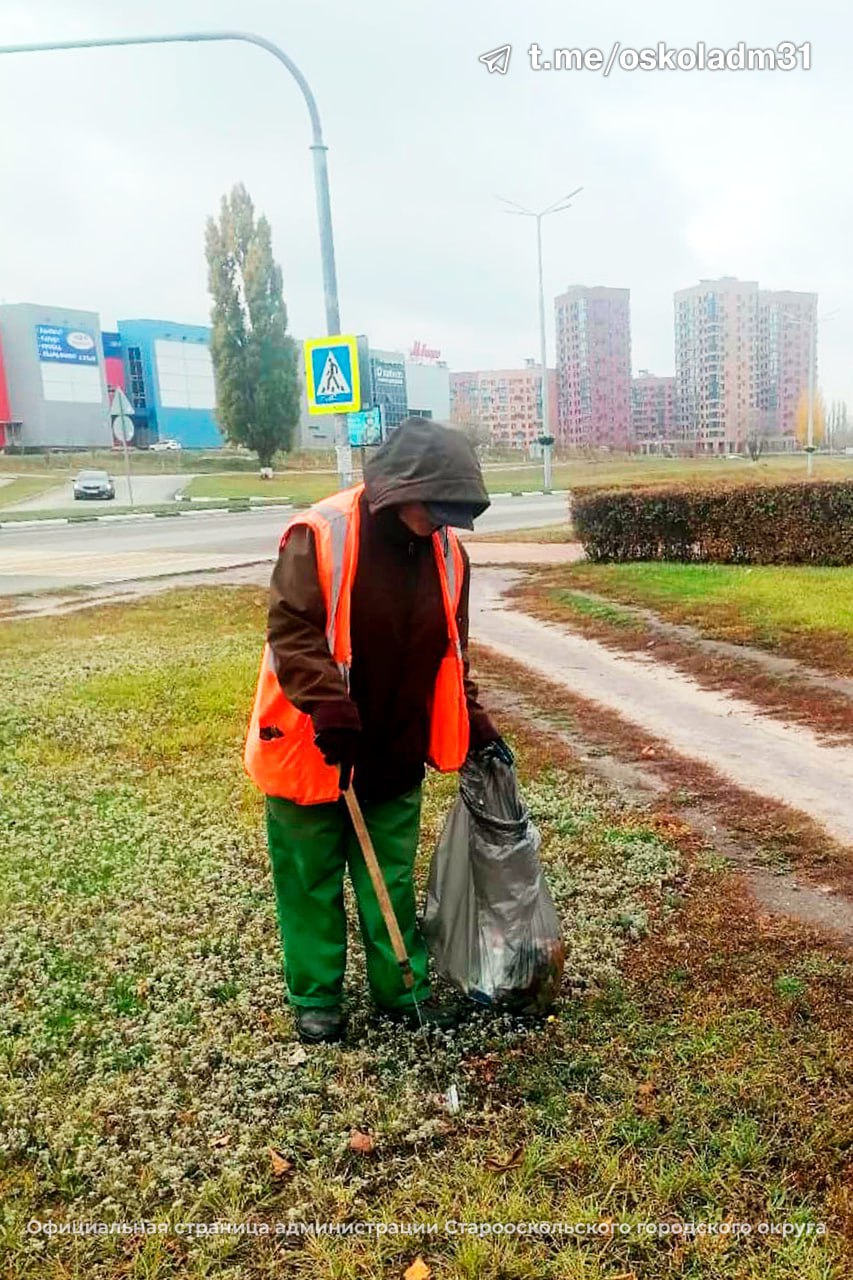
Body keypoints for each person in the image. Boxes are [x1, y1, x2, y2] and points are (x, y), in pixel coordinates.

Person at [244, 417, 512, 1043]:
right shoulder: (322, 534)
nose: (443, 523)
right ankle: (316, 999)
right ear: (398, 490)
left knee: (387, 877)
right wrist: (330, 708)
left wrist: (475, 720)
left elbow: (452, 652)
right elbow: (292, 633)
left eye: (452, 512)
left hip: (395, 747)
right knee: (309, 881)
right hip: (316, 747)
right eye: (435, 508)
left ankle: (401, 989)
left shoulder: (448, 554)